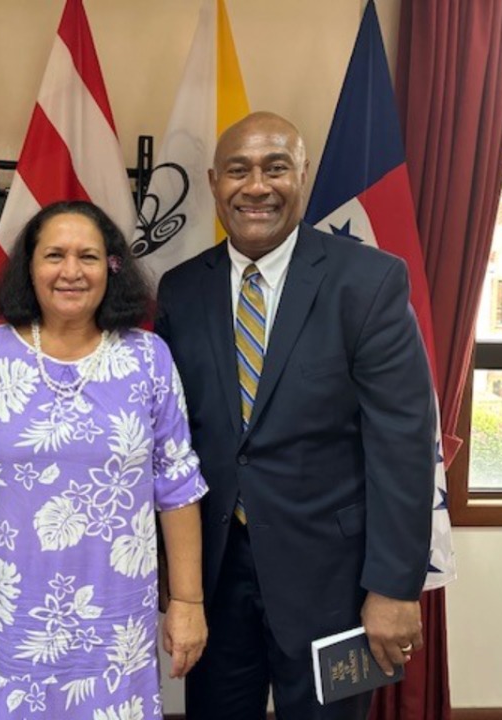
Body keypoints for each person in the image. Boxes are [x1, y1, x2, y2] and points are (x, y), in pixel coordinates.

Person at [155, 112, 436, 719]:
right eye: (238, 170)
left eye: (276, 167)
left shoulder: (369, 281)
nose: (256, 186)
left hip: (333, 584)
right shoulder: (180, 291)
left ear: (303, 174)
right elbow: (171, 440)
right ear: (213, 182)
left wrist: (393, 587)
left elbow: (403, 445)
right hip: (214, 577)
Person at [0, 200, 209, 719]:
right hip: (14, 613)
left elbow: (177, 486)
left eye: (88, 256)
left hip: (117, 613)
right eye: (53, 255)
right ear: (29, 267)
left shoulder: (147, 358)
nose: (70, 271)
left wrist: (188, 603)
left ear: (111, 267)